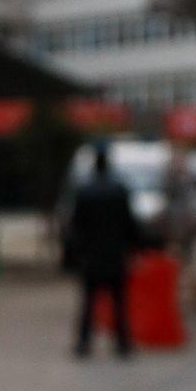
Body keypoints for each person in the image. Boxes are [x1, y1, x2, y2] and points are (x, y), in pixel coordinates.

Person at [63, 140, 144, 358]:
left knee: (88, 303)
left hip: (91, 257)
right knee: (119, 302)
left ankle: (83, 344)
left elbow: (75, 226)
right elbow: (130, 224)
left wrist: (73, 256)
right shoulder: (119, 190)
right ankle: (122, 344)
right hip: (115, 255)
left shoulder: (84, 192)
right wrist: (137, 247)